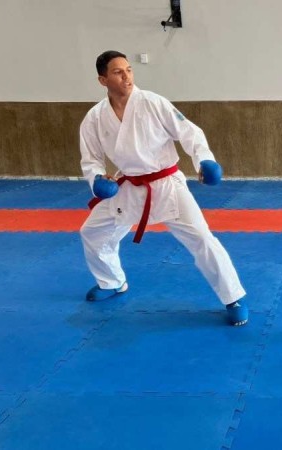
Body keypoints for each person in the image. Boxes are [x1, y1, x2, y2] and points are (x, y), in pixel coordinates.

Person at [79, 50, 248, 326]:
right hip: (129, 186)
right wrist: (97, 179)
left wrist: (205, 160)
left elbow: (190, 133)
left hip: (167, 185)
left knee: (202, 239)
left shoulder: (152, 103)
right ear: (102, 80)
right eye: (118, 72)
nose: (127, 76)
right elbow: (91, 158)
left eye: (129, 70)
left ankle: (232, 297)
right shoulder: (95, 118)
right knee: (92, 232)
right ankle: (112, 281)